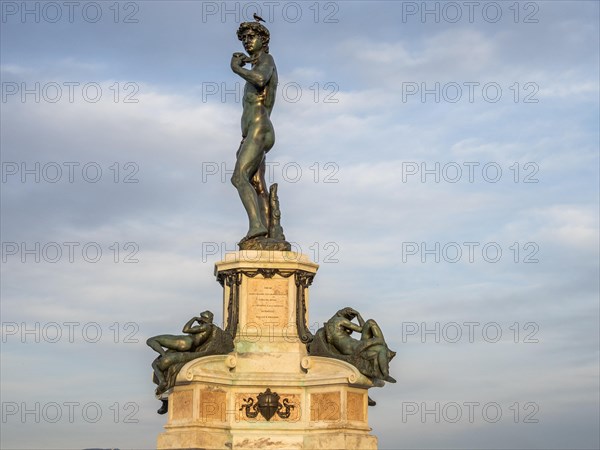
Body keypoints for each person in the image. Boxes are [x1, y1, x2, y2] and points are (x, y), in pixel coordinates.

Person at [230, 21, 278, 243]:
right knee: (256, 184)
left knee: (239, 177)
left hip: (260, 127)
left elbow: (260, 80)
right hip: (252, 132)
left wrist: (237, 68)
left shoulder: (267, 61)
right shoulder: (258, 64)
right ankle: (269, 230)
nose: (247, 41)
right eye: (244, 38)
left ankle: (257, 226)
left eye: (251, 37)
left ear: (263, 41)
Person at [325, 307, 396, 383]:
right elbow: (361, 329)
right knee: (381, 348)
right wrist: (358, 315)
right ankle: (385, 374)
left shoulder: (331, 323)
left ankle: (385, 354)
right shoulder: (340, 320)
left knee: (370, 323)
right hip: (354, 347)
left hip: (352, 346)